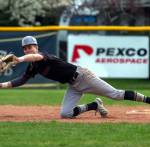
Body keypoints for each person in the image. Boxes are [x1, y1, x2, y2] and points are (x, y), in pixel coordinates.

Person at [0, 36, 150, 119]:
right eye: (25, 48)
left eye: (30, 46)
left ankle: (148, 100)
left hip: (83, 77)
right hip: (73, 86)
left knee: (116, 95)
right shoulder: (32, 67)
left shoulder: (43, 56)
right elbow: (20, 81)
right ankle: (94, 105)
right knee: (65, 114)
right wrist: (1, 85)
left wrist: (19, 59)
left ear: (36, 47)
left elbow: (35, 56)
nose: (28, 49)